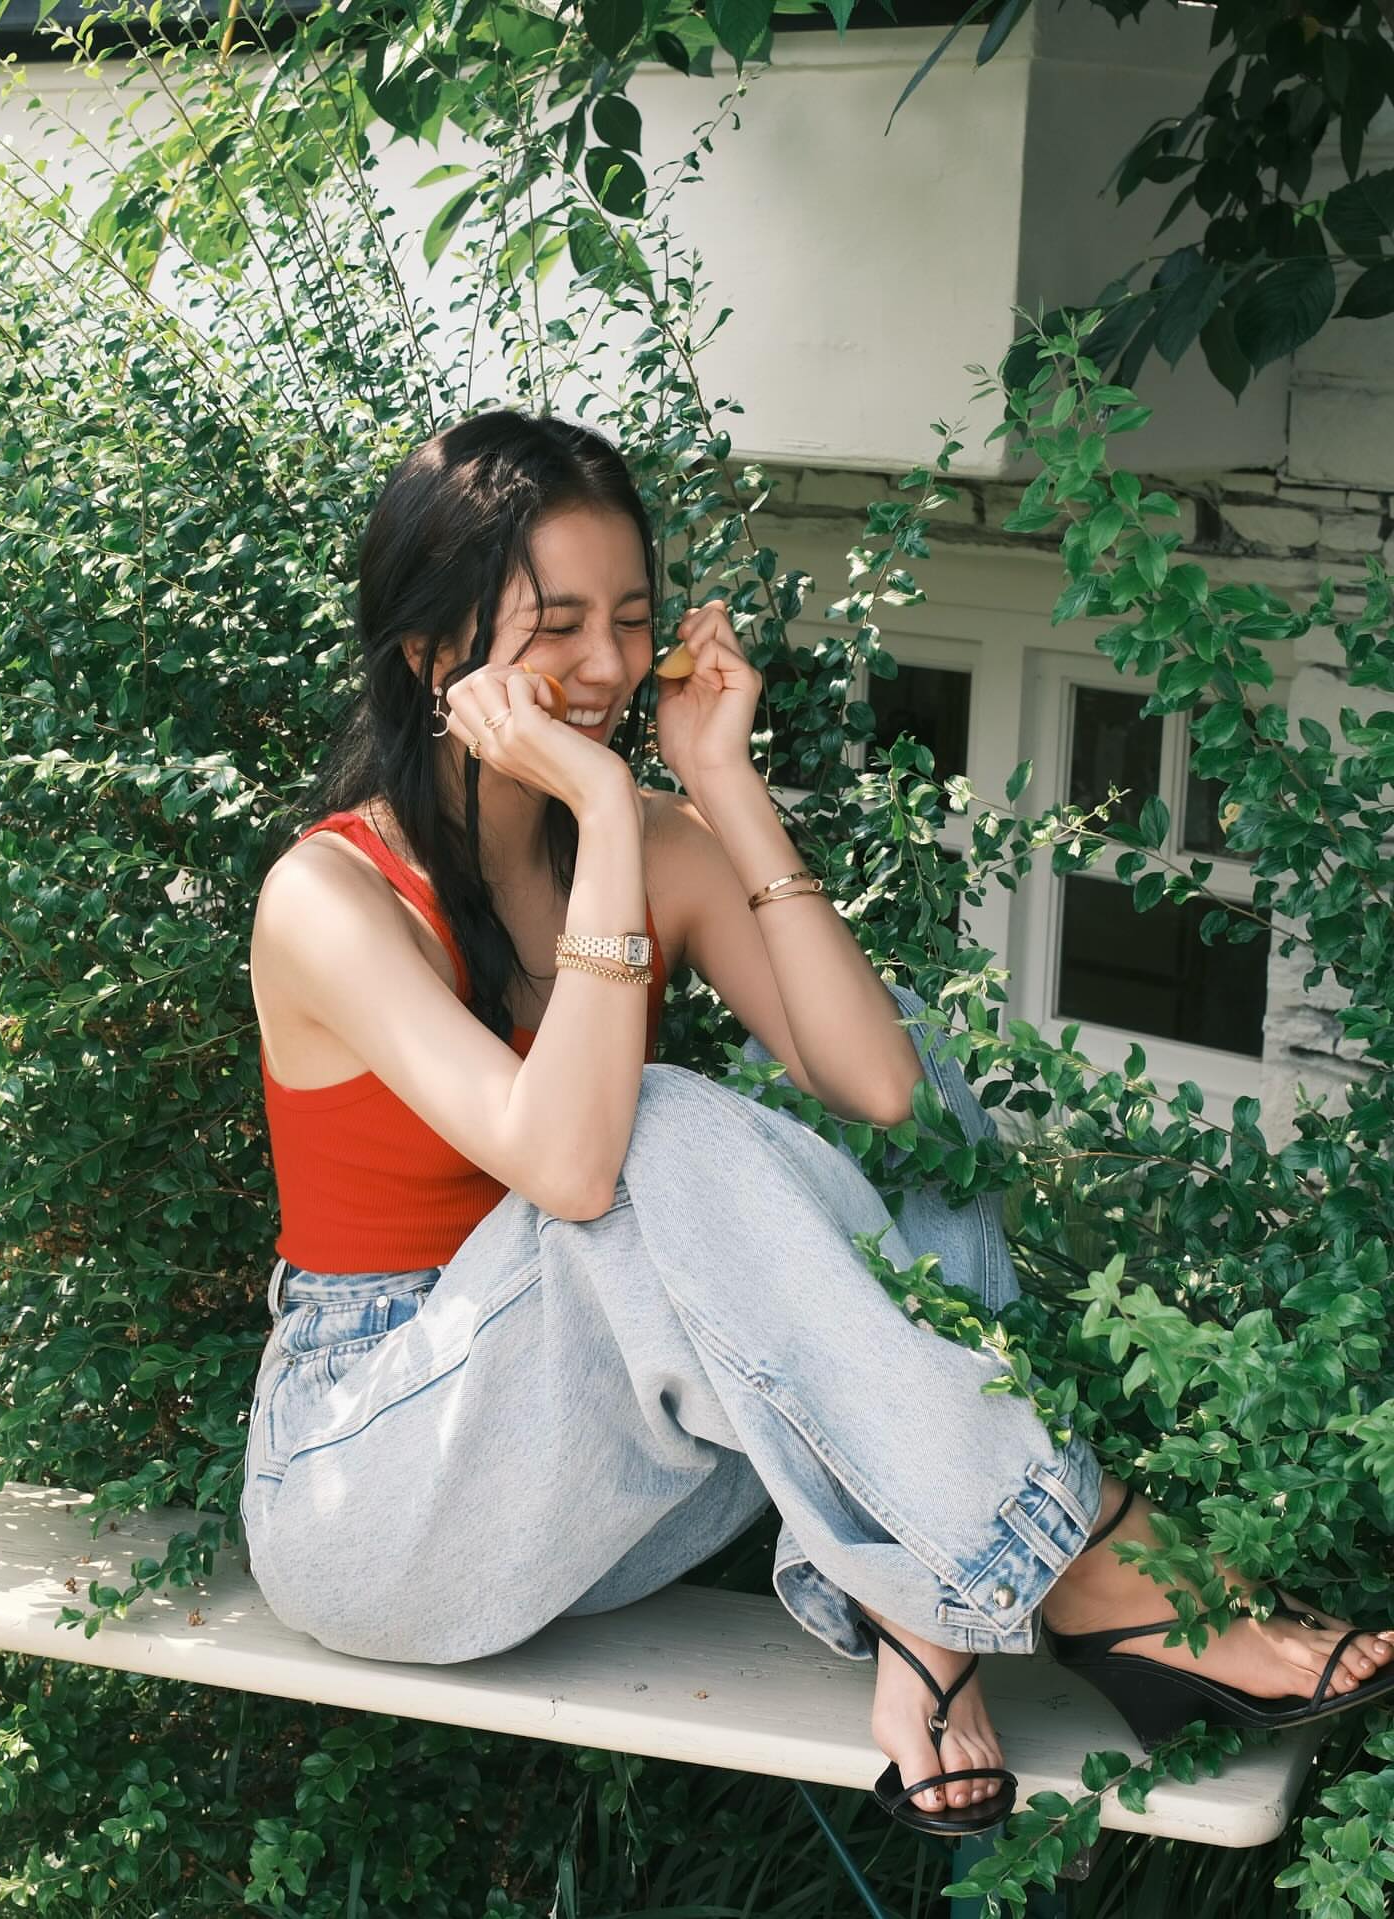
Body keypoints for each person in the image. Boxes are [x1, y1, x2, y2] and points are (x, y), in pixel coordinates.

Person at [240, 409, 1394, 1838]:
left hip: (601, 1498)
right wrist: (605, 805)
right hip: (381, 1490)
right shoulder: (331, 898)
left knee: (914, 1074)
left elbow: (888, 1100)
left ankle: (933, 1615)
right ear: (432, 654)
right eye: (558, 627)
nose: (606, 668)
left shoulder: (649, 837)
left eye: (633, 622)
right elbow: (572, 1166)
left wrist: (720, 785)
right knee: (656, 1125)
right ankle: (1095, 1559)